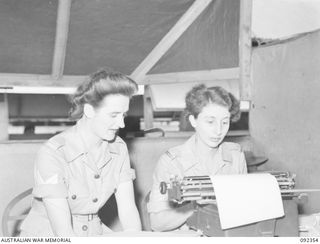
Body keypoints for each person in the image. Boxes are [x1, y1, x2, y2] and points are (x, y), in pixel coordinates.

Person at [20, 69, 142, 236]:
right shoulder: (53, 153)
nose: (121, 124)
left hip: (93, 231)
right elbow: (63, 233)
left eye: (124, 115)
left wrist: (135, 237)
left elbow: (128, 208)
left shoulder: (118, 148)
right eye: (113, 115)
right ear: (89, 110)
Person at [147, 84, 247, 232]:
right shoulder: (172, 163)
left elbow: (244, 208)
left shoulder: (235, 156)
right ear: (193, 120)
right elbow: (157, 222)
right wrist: (195, 207)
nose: (219, 130)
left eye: (225, 122)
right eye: (210, 122)